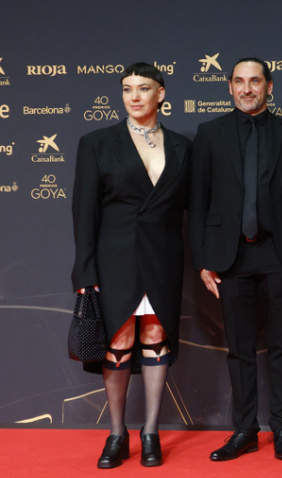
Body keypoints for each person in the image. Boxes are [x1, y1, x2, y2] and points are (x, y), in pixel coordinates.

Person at [71, 62, 191, 468]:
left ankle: (152, 430)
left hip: (163, 257)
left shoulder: (181, 147)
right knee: (119, 341)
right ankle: (117, 434)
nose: (134, 96)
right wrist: (84, 270)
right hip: (114, 258)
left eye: (143, 88)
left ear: (161, 94)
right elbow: (83, 214)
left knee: (157, 335)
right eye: (127, 89)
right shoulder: (97, 143)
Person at [188, 58, 282, 462]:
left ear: (269, 86)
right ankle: (245, 430)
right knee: (239, 348)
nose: (247, 88)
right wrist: (202, 259)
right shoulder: (209, 133)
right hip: (229, 255)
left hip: (279, 253)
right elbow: (197, 202)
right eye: (239, 81)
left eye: (255, 81)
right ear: (229, 87)